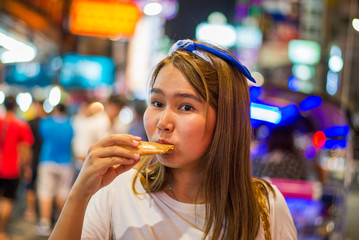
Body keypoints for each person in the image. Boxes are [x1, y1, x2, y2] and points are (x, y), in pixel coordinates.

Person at [49, 39, 297, 240]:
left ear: (226, 121)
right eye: (157, 103)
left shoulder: (266, 206)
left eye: (186, 107)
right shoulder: (115, 191)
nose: (162, 122)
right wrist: (80, 194)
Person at [36, 103, 74, 236]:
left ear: (56, 110)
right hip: (66, 162)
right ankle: (62, 223)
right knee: (63, 193)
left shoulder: (46, 122)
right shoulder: (71, 124)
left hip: (47, 160)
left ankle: (45, 224)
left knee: (46, 192)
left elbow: (42, 135)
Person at [0, 96, 34, 240]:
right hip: (11, 169)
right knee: (7, 200)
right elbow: (25, 149)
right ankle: (1, 232)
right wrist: (27, 167)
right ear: (15, 107)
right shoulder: (21, 125)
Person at [23, 100, 46, 222]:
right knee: (42, 188)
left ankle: (31, 212)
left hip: (34, 159)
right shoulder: (48, 122)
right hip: (44, 159)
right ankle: (42, 215)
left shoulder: (31, 123)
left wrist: (26, 164)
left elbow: (27, 145)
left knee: (30, 186)